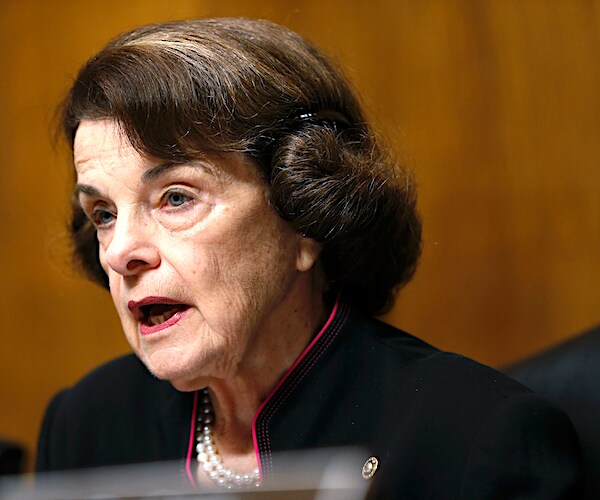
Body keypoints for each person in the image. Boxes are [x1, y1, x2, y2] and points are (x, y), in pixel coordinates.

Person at [36, 18, 582, 497]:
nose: (123, 251)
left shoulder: (475, 438)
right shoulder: (85, 424)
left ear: (305, 222)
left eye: (176, 198)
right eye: (104, 213)